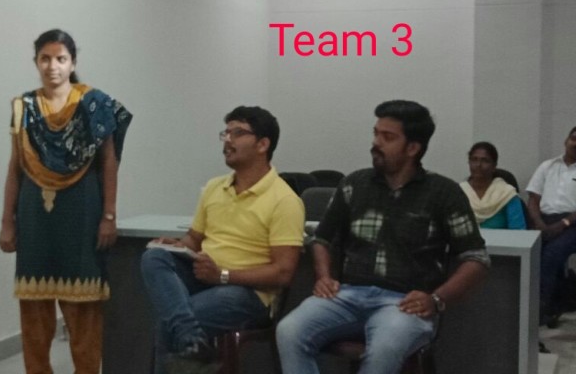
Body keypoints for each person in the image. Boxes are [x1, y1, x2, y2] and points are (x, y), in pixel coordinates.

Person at [276, 100, 490, 374]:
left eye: (387, 137)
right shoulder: (355, 184)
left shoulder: (444, 193)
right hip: (347, 296)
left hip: (403, 303)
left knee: (383, 349)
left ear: (413, 148)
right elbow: (321, 239)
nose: (376, 143)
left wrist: (436, 299)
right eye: (376, 133)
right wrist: (324, 276)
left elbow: (476, 259)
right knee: (289, 330)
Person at [0, 29, 132, 374]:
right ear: (36, 62)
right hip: (34, 217)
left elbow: (109, 161)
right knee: (34, 312)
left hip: (82, 213)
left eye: (60, 59)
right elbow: (15, 167)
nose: (52, 66)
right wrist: (7, 221)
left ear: (72, 63)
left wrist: (109, 216)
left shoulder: (93, 104)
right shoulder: (24, 107)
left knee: (83, 311)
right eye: (45, 59)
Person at [140, 106, 305, 374]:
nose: (227, 141)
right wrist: (180, 246)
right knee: (154, 257)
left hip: (248, 293)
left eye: (237, 133)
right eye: (225, 133)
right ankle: (193, 341)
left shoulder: (285, 200)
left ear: (263, 144)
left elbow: (283, 273)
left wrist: (223, 275)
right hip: (205, 277)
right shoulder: (215, 187)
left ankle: (190, 339)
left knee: (173, 320)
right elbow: (194, 238)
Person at [526, 126, 576, 327]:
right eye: (573, 138)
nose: (575, 144)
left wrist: (563, 224)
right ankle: (541, 304)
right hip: (543, 220)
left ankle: (540, 311)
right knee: (530, 252)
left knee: (551, 254)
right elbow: (533, 200)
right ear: (566, 141)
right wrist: (539, 224)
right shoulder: (547, 166)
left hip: (572, 223)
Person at [459, 142, 526, 229]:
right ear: (469, 163)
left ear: (494, 166)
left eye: (485, 161)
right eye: (474, 159)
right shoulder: (458, 192)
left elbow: (518, 231)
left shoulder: (506, 194)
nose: (478, 165)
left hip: (503, 238)